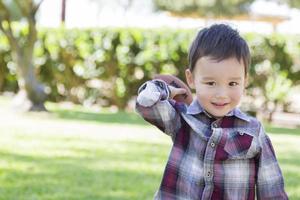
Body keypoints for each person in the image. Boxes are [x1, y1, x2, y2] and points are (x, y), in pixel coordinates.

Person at [135, 24, 288, 200]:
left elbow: (272, 190)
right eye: (210, 83)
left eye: (232, 84)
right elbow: (145, 103)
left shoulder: (253, 131)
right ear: (191, 79)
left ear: (245, 81)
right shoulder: (181, 119)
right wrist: (169, 90)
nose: (221, 94)